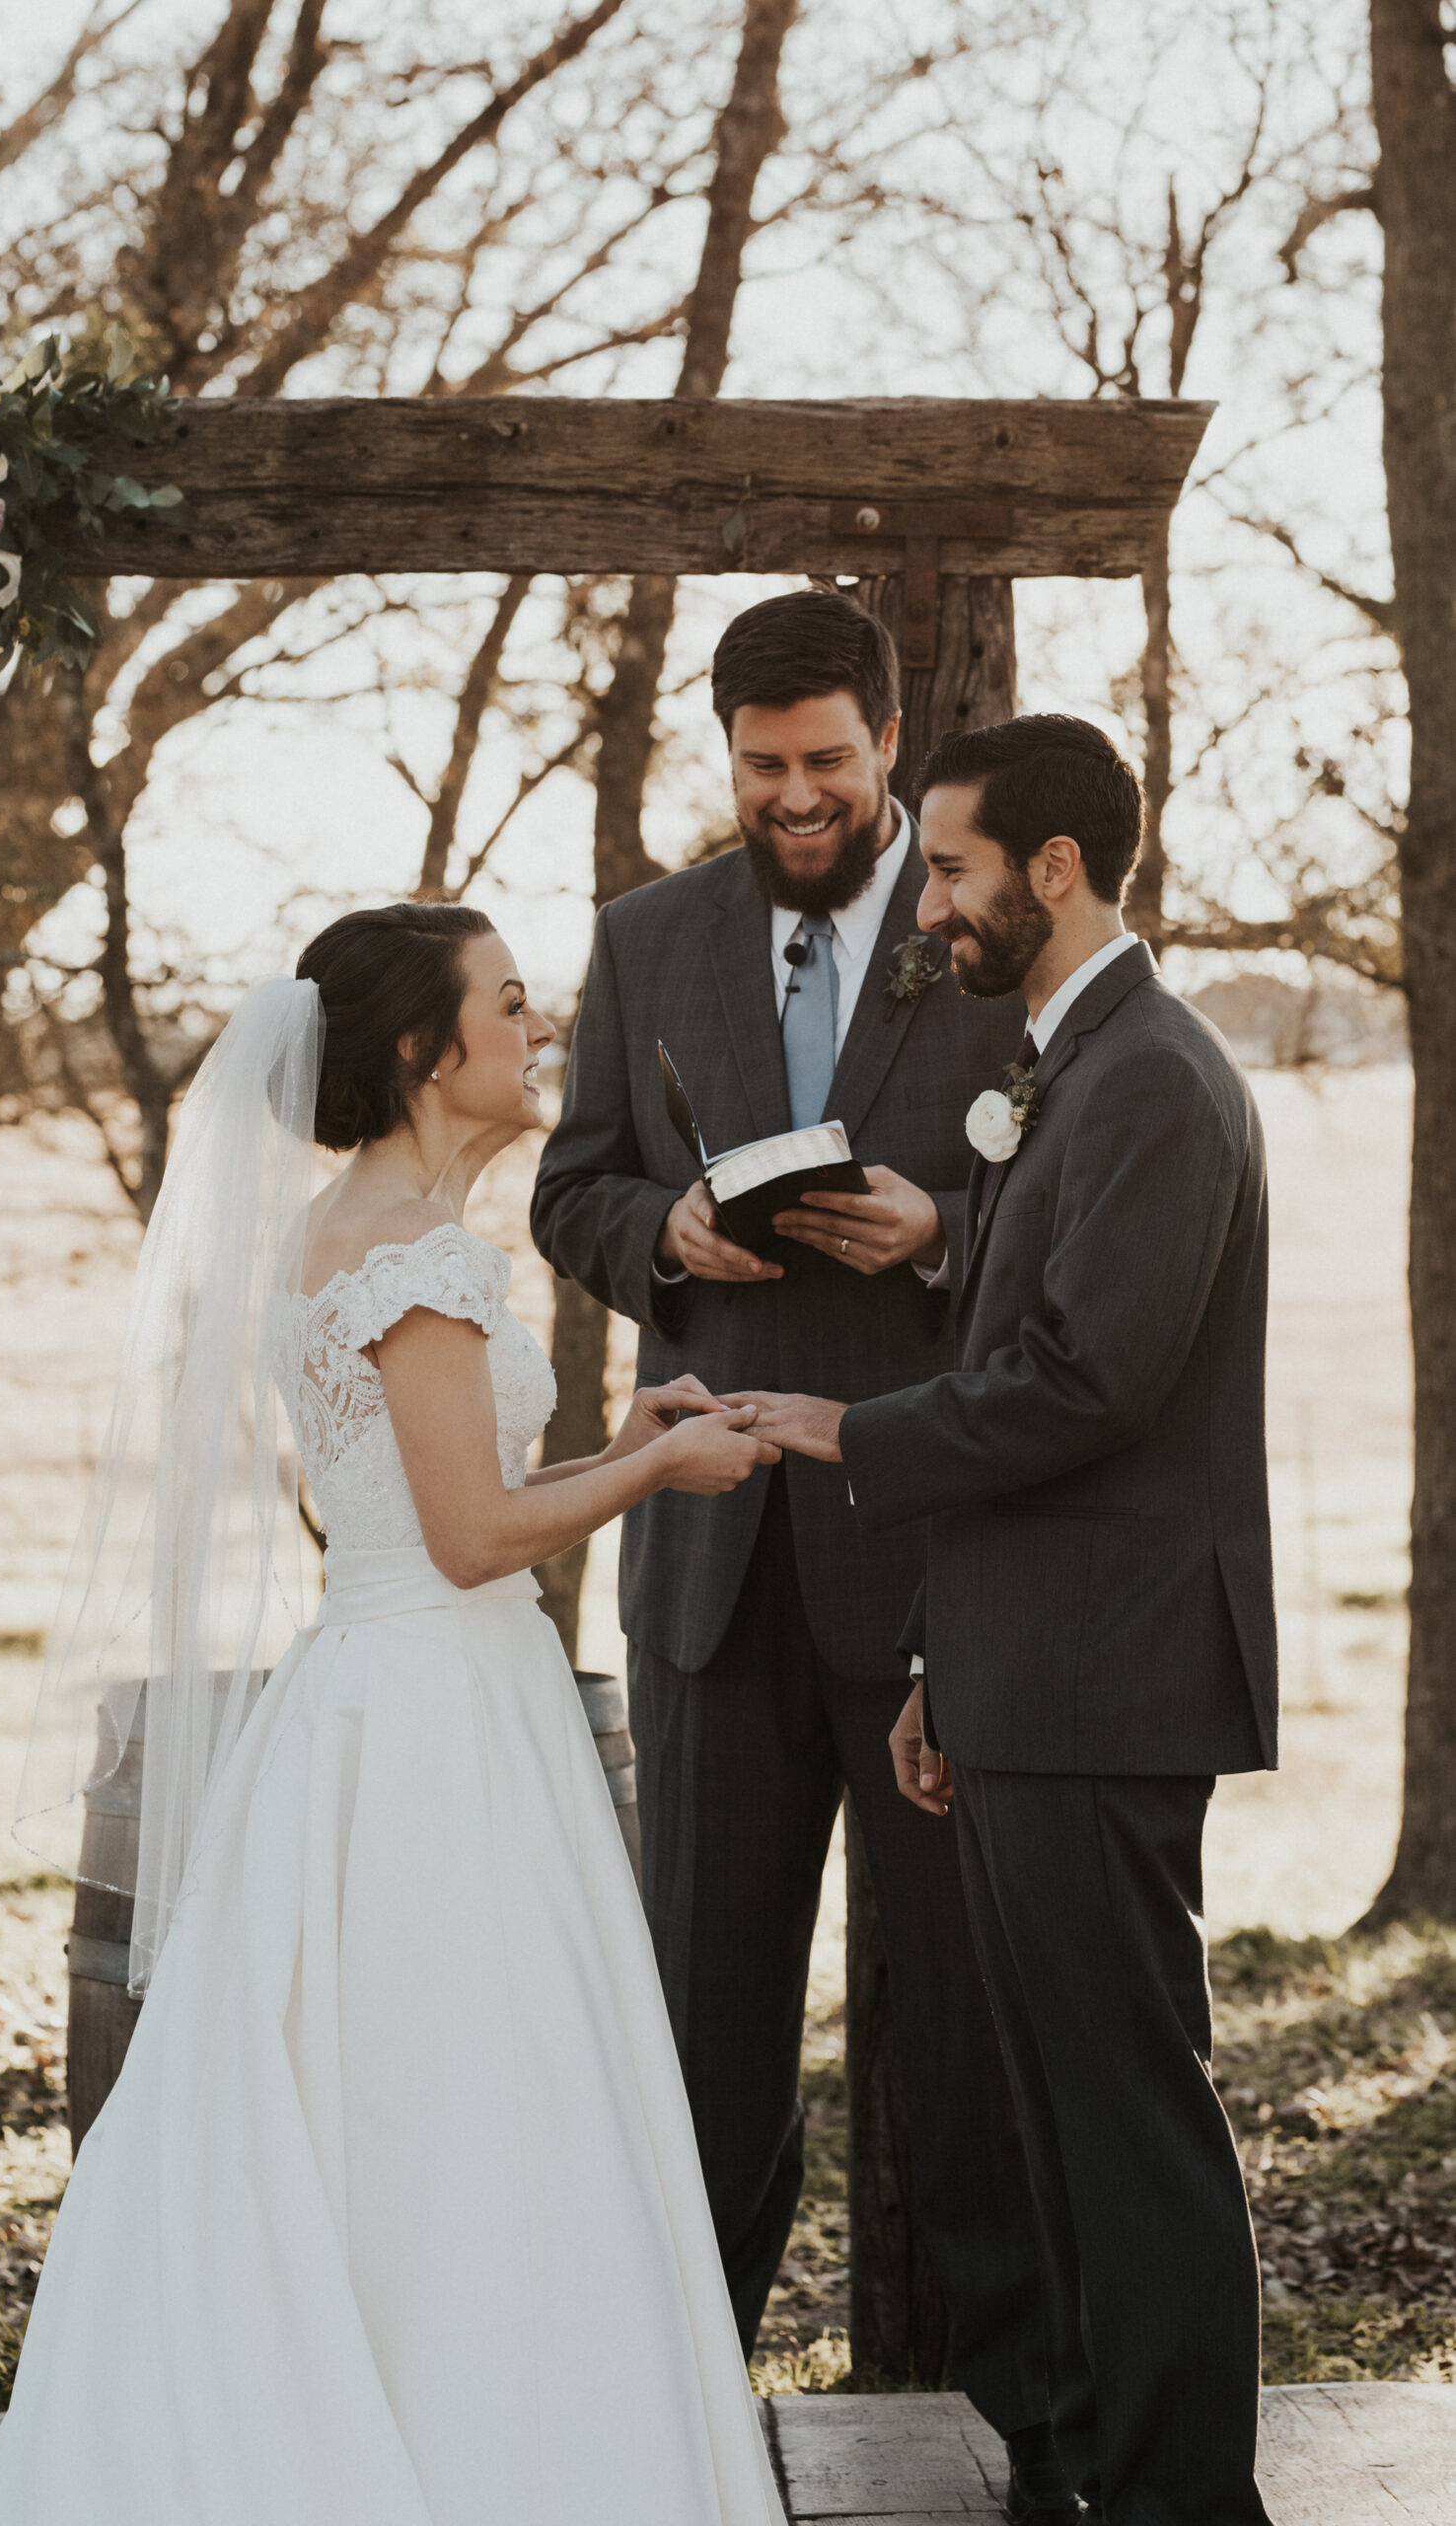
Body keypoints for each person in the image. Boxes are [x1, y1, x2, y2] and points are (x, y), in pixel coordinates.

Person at [0, 903, 786, 2526]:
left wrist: (618, 1434)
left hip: (407, 1683)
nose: (539, 1031)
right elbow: (474, 1542)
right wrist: (658, 1470)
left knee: (414, 2104)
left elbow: (434, 1508)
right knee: (464, 2108)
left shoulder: (364, 1231)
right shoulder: (412, 1253)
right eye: (511, 1005)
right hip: (435, 1724)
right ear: (423, 1048)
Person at [532, 590, 1064, 2516]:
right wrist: (666, 1239)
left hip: (935, 1575)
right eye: (760, 769)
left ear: (887, 744)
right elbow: (569, 1187)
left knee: (965, 2043)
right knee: (701, 2041)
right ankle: (664, 2433)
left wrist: (935, 1230)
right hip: (711, 1577)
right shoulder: (642, 936)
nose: (795, 798)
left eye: (827, 763)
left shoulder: (986, 932)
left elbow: (1063, 1221)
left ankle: (1038, 2443)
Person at [738, 715, 1278, 2526]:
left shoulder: (1151, 1078)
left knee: (1128, 2115)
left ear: (1056, 870)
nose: (935, 907)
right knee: (1063, 2114)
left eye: (957, 870)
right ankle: (1116, 2476)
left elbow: (1082, 1386)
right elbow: (1030, 1316)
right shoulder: (1072, 1062)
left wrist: (837, 1426)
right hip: (1027, 1667)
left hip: (1113, 1677)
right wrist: (934, 1666)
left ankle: (1190, 2500)